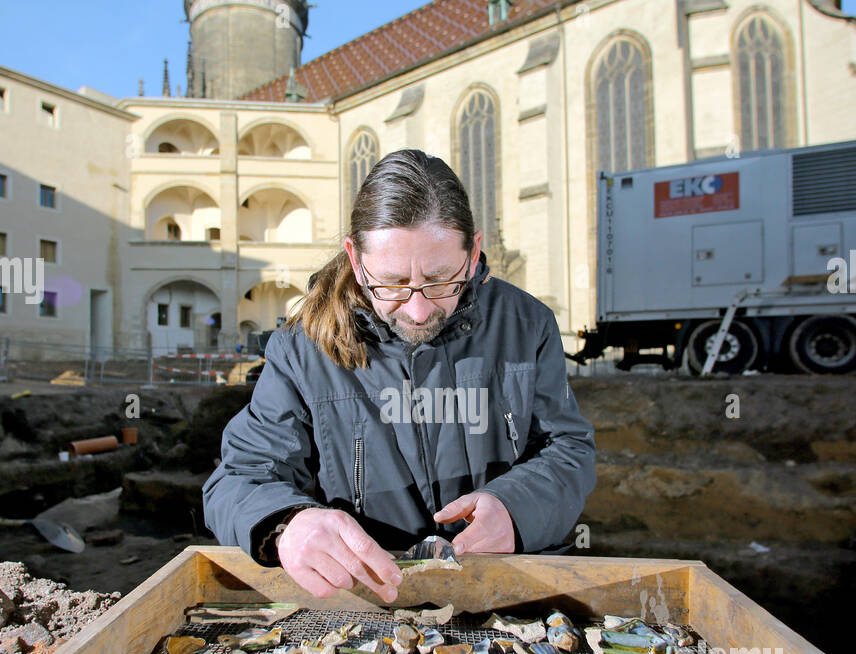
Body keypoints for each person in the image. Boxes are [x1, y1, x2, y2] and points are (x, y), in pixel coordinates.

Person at [202, 149, 596, 604]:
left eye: (441, 278)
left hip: (511, 589)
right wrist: (287, 524)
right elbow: (239, 476)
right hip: (373, 599)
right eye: (391, 283)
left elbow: (568, 448)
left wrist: (518, 508)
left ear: (473, 253)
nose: (418, 308)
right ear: (354, 256)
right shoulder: (301, 348)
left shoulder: (527, 324)